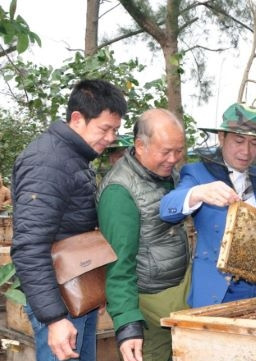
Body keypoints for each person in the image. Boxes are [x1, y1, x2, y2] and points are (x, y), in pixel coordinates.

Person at [11, 79, 126, 361]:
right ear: (77, 118)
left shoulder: (75, 158)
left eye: (115, 130)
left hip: (76, 296)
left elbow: (76, 233)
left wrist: (92, 288)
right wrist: (54, 319)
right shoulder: (47, 161)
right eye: (105, 128)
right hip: (59, 305)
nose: (111, 138)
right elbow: (29, 246)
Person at [160, 103, 256, 308]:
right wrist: (197, 193)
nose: (246, 151)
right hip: (218, 291)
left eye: (254, 143)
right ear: (222, 138)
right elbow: (166, 208)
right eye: (239, 141)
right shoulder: (198, 174)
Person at [97, 109, 189, 361]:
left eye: (178, 151)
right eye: (165, 151)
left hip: (178, 294)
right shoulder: (120, 191)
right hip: (148, 305)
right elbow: (118, 264)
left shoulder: (170, 175)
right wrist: (128, 324)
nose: (173, 159)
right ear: (140, 145)